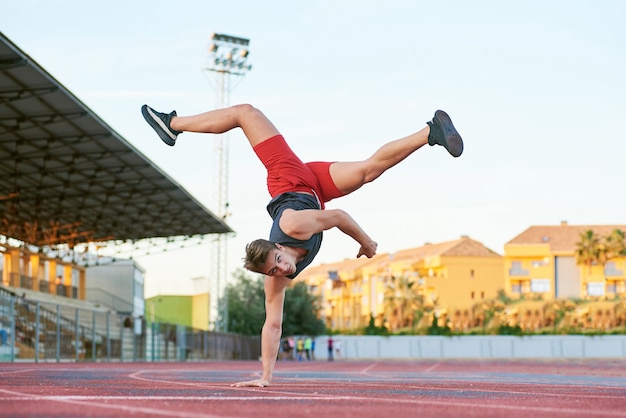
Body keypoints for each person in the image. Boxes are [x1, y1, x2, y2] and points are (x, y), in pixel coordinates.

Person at [141, 102, 463, 387]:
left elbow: (337, 216)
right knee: (367, 171)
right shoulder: (275, 277)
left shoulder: (292, 226)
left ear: (276, 246)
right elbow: (272, 324)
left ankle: (171, 124)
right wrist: (265, 377)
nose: (284, 269)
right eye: (275, 269)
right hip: (316, 187)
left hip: (289, 177)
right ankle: (430, 132)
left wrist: (365, 242)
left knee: (245, 113)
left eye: (278, 260)